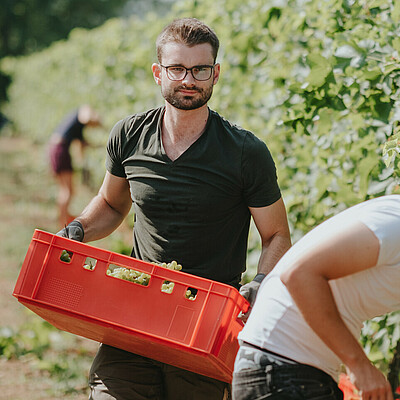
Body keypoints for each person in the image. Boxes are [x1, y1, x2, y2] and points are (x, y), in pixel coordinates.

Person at [58, 18, 291, 400]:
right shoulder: (129, 135)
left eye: (200, 69)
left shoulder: (245, 153)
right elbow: (111, 204)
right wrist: (80, 228)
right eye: (177, 68)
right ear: (158, 72)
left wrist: (261, 283)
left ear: (215, 74)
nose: (189, 79)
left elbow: (277, 234)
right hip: (134, 309)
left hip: (206, 321)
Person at [232, 195, 400, 400]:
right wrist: (360, 366)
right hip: (282, 373)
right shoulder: (396, 225)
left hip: (294, 374)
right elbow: (299, 276)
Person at [49, 104, 101, 227]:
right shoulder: (85, 110)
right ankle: (63, 223)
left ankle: (64, 218)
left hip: (56, 149)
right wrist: (97, 120)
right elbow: (86, 117)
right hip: (60, 150)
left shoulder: (78, 128)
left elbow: (83, 145)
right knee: (67, 190)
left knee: (67, 190)